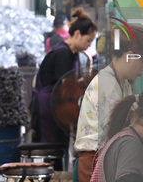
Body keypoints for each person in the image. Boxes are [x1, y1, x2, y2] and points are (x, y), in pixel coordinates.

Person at [73, 25, 143, 182]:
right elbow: (113, 135)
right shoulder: (108, 85)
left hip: (101, 162)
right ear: (129, 56)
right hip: (92, 164)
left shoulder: (122, 84)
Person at [30, 8, 97, 144]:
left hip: (55, 105)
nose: (89, 45)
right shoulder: (63, 54)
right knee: (51, 147)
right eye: (88, 40)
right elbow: (66, 87)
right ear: (77, 34)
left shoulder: (73, 53)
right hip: (48, 106)